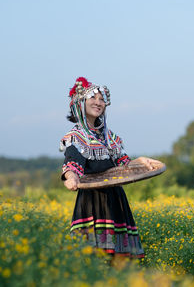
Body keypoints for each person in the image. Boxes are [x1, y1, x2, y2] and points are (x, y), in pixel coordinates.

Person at [60, 77, 154, 259]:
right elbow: (72, 164)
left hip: (116, 200)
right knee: (93, 259)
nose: (98, 102)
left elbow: (123, 165)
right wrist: (71, 178)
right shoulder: (76, 137)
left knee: (119, 261)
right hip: (93, 201)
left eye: (102, 99)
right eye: (93, 98)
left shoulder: (110, 137)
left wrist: (141, 161)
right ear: (80, 103)